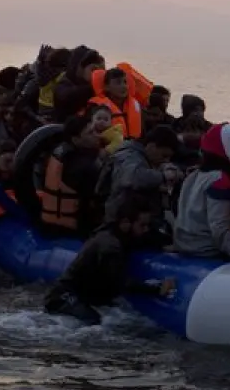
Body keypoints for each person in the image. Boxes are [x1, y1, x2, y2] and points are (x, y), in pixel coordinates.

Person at [42, 198, 175, 325]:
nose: (146, 230)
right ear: (125, 223)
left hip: (80, 297)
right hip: (62, 297)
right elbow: (121, 283)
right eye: (142, 225)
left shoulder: (116, 235)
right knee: (93, 321)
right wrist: (157, 289)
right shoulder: (110, 246)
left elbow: (150, 238)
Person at [174, 123, 230, 263]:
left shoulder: (195, 174)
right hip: (205, 249)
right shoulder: (220, 180)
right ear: (224, 148)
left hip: (185, 244)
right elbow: (219, 226)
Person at [96, 124, 181, 224]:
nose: (166, 160)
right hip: (120, 222)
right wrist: (162, 176)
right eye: (164, 155)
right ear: (152, 146)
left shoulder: (145, 158)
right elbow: (131, 178)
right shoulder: (129, 155)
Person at [38, 114, 105, 235]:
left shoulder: (60, 152)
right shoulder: (84, 166)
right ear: (76, 139)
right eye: (90, 133)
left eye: (95, 130)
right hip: (71, 230)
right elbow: (100, 198)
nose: (97, 135)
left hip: (50, 224)